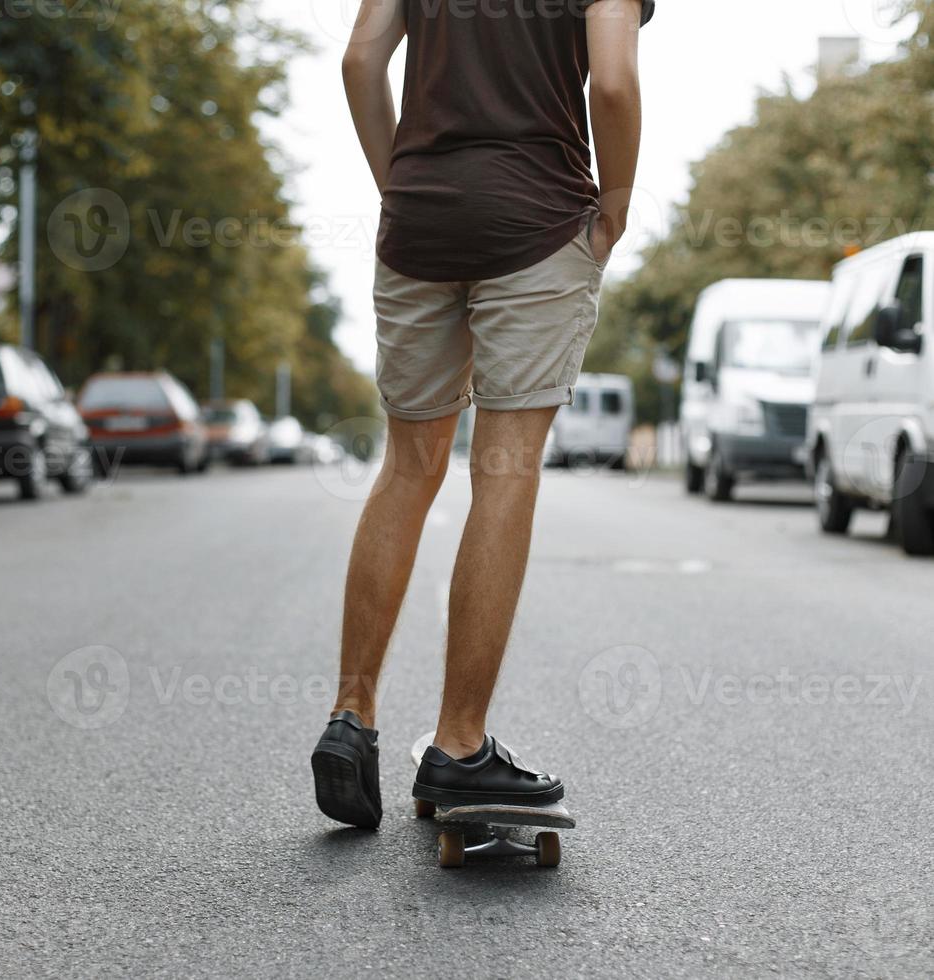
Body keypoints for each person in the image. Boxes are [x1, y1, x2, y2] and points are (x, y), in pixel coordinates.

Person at [312, 0, 654, 829]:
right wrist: (615, 202)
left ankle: (350, 719)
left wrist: (402, 182)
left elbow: (361, 63)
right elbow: (610, 80)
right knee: (502, 471)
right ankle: (459, 747)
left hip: (418, 221)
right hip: (535, 217)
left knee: (406, 467)